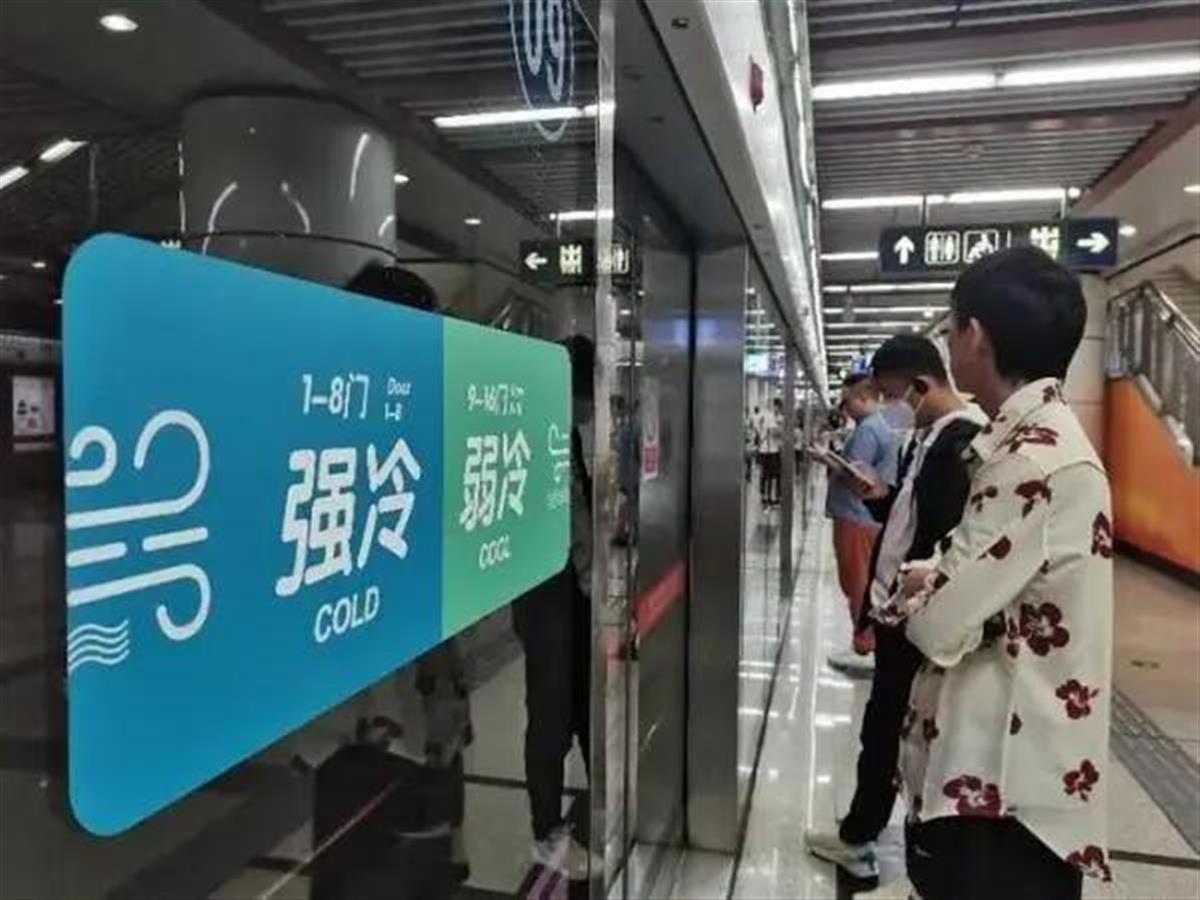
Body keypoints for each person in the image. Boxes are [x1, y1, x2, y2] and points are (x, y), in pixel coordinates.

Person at [892, 247, 1112, 900]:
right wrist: (945, 581)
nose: (947, 343)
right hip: (1022, 786)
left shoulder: (1027, 463)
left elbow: (937, 628)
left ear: (976, 336)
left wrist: (925, 590)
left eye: (950, 326)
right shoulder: (1041, 442)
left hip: (999, 796)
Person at [804, 335, 983, 880]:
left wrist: (906, 604)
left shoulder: (960, 444)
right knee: (882, 729)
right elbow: (908, 515)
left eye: (890, 394)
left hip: (913, 619)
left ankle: (862, 840)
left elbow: (947, 541)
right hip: (893, 611)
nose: (886, 407)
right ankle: (865, 830)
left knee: (886, 732)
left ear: (919, 386)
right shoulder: (925, 439)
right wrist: (875, 493)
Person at [510, 334, 595, 880]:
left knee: (581, 699)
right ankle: (546, 832)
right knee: (549, 713)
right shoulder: (540, 433)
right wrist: (591, 573)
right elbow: (568, 517)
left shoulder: (565, 430)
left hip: (570, 592)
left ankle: (598, 800)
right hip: (546, 592)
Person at [826, 374, 898, 669]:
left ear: (863, 398)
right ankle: (867, 640)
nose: (844, 409)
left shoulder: (868, 431)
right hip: (865, 517)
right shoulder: (880, 426)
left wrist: (829, 462)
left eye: (847, 402)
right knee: (862, 580)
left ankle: (865, 644)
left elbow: (858, 478)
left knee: (856, 581)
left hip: (856, 516)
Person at [760, 397, 785, 506]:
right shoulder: (769, 417)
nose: (778, 409)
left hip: (775, 450)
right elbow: (775, 433)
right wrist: (781, 427)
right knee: (767, 475)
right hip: (767, 450)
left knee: (775, 475)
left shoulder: (779, 417)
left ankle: (774, 497)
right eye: (778, 407)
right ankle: (766, 497)